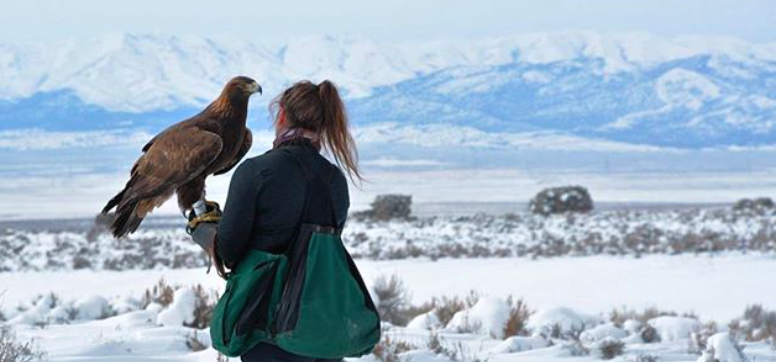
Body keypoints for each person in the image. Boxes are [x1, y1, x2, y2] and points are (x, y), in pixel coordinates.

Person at [188, 80, 367, 362]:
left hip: (265, 328)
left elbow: (229, 251)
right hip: (321, 328)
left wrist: (204, 230)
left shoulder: (256, 172)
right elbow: (317, 251)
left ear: (281, 115)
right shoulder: (334, 179)